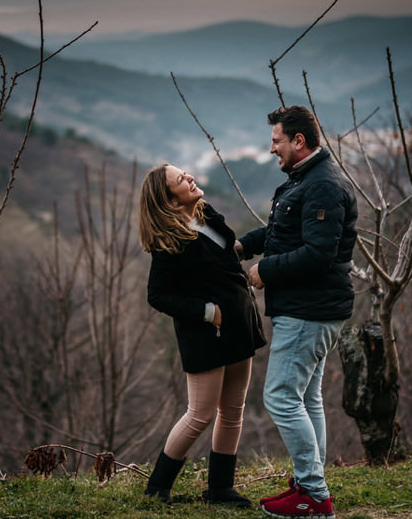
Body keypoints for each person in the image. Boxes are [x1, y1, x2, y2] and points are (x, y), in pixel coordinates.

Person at [235, 106, 357, 518]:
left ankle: (313, 495)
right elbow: (282, 233)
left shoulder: (322, 185)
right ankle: (309, 484)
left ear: (298, 142)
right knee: (306, 398)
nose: (272, 149)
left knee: (281, 396)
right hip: (315, 309)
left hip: (311, 311)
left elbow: (318, 254)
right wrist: (242, 246)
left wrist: (264, 271)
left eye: (277, 141)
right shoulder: (305, 181)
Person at [138, 163, 266, 506]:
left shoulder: (204, 214)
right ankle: (157, 489)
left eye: (186, 173)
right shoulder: (170, 240)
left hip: (239, 327)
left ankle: (220, 490)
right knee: (200, 414)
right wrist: (207, 312)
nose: (190, 178)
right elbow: (157, 295)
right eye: (181, 179)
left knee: (233, 411)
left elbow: (230, 253)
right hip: (206, 335)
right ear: (168, 198)